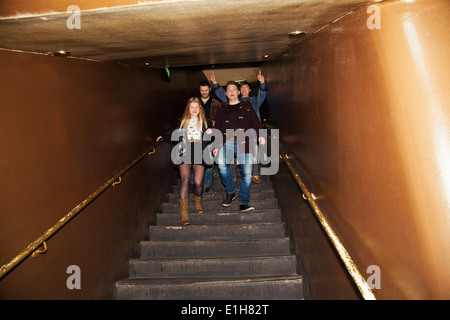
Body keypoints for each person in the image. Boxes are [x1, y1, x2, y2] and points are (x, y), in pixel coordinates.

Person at [213, 81, 265, 212]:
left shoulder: (247, 106)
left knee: (247, 173)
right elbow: (217, 128)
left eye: (234, 89)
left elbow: (256, 122)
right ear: (226, 94)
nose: (231, 91)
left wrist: (261, 135)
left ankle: (244, 202)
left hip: (244, 140)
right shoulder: (221, 109)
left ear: (238, 92)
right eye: (229, 89)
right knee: (221, 164)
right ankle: (230, 191)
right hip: (227, 141)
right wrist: (215, 145)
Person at [157, 97, 210, 226]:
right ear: (188, 109)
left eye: (196, 107)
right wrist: (164, 137)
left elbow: (210, 139)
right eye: (192, 107)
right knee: (185, 180)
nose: (194, 109)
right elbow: (176, 137)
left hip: (199, 151)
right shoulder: (182, 122)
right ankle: (184, 215)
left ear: (200, 109)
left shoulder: (205, 122)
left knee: (198, 182)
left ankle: (198, 202)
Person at [210, 71, 267, 184]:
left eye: (246, 88)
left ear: (249, 90)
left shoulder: (253, 101)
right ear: (239, 91)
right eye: (243, 88)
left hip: (251, 130)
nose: (245, 90)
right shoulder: (235, 102)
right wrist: (215, 84)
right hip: (235, 132)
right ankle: (234, 176)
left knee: (252, 151)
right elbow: (223, 94)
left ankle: (254, 173)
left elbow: (262, 95)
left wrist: (262, 83)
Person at [198, 80, 221, 192]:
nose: (204, 92)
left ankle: (208, 184)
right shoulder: (195, 103)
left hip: (211, 134)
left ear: (210, 90)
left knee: (209, 159)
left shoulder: (216, 103)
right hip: (197, 134)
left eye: (206, 90)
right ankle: (195, 184)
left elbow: (220, 120)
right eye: (202, 90)